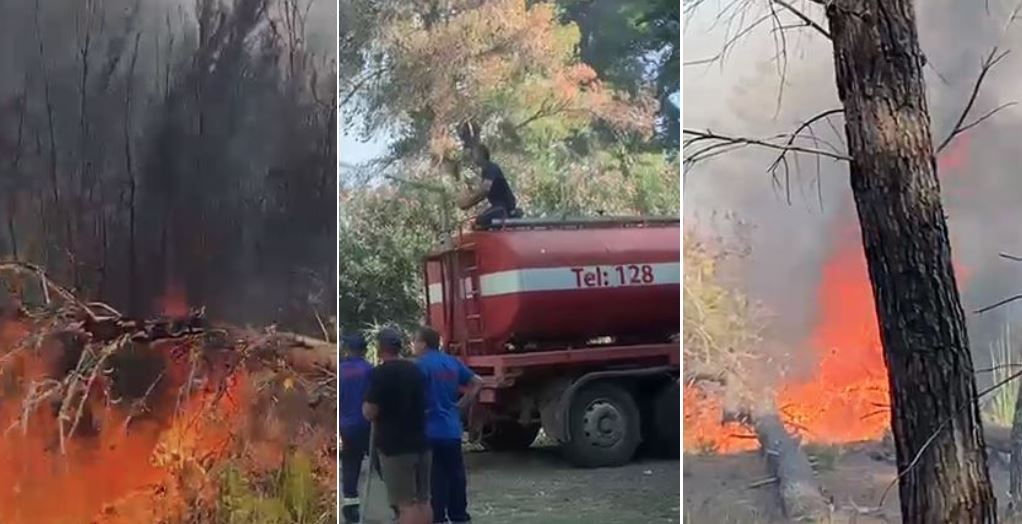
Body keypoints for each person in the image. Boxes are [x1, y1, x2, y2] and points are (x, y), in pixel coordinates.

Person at [363, 327, 433, 524]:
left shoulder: (381, 374)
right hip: (421, 442)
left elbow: (370, 411)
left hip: (395, 447)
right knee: (423, 500)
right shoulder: (416, 370)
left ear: (380, 349)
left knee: (405, 504)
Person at [413, 326, 483, 524]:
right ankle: (459, 516)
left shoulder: (421, 366)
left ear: (424, 343)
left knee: (435, 479)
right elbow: (478, 382)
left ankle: (438, 518)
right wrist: (462, 404)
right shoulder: (452, 362)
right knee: (456, 476)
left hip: (429, 430)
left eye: (415, 341)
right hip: (452, 430)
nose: (414, 345)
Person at [339, 333, 373, 524]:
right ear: (365, 350)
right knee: (382, 464)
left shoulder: (341, 370)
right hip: (368, 425)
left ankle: (351, 511)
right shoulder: (370, 370)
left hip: (347, 426)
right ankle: (398, 505)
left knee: (351, 466)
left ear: (347, 350)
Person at [457, 144, 518, 228]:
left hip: (504, 208)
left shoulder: (491, 168)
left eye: (474, 154)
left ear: (480, 154)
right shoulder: (485, 171)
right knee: (479, 221)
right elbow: (480, 190)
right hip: (499, 207)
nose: (473, 158)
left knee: (479, 221)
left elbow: (484, 190)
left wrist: (468, 203)